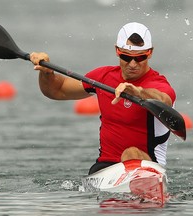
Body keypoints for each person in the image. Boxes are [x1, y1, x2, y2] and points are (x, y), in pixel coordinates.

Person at [30, 22, 176, 175]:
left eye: (140, 58)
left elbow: (165, 100)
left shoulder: (158, 83)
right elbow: (56, 90)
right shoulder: (103, 77)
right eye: (126, 57)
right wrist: (46, 72)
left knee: (131, 153)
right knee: (125, 156)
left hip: (148, 167)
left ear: (150, 53)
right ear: (117, 51)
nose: (133, 64)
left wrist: (139, 92)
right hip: (105, 169)